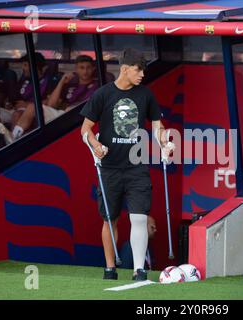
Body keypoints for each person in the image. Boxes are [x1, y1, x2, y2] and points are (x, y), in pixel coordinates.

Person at [80, 48, 173, 281]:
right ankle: (110, 268)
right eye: (137, 70)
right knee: (110, 219)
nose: (142, 74)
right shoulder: (103, 94)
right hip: (109, 167)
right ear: (124, 69)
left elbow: (156, 125)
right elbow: (85, 129)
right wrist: (95, 145)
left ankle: (138, 270)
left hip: (136, 166)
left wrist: (164, 143)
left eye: (143, 70)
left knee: (139, 217)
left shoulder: (146, 95)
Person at [0, 55, 98, 144]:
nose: (85, 71)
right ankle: (15, 138)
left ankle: (14, 138)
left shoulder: (97, 85)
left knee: (33, 107)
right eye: (82, 68)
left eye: (88, 68)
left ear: (93, 69)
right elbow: (52, 104)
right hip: (61, 113)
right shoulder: (70, 85)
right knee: (23, 111)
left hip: (74, 117)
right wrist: (62, 82)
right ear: (76, 69)